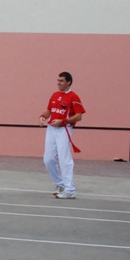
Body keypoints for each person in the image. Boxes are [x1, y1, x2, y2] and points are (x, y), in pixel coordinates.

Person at [39, 71, 86, 200]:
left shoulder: (74, 97)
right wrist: (42, 117)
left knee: (65, 159)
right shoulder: (55, 95)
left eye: (61, 81)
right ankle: (60, 184)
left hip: (64, 129)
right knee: (48, 159)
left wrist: (63, 121)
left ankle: (70, 190)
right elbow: (49, 110)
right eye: (58, 80)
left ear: (68, 82)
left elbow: (79, 116)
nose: (58, 83)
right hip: (51, 129)